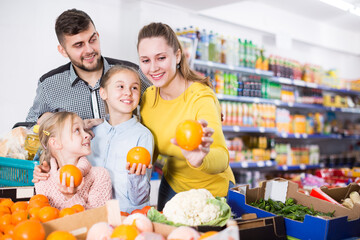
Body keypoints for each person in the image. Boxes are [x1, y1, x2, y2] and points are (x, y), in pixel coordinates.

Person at [137, 22, 235, 211]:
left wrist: (199, 158)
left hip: (212, 193)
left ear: (177, 56)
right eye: (146, 60)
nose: (153, 68)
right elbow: (149, 146)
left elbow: (222, 158)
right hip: (172, 188)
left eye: (161, 58)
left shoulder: (201, 97)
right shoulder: (148, 97)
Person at [26, 8, 151, 125]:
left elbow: (159, 105)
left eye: (92, 40)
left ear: (97, 36)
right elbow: (29, 128)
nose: (89, 49)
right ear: (63, 50)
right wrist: (63, 124)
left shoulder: (132, 72)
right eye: (79, 45)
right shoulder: (49, 85)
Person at [88, 65, 154, 213]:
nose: (128, 93)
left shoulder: (143, 136)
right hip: (93, 215)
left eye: (134, 88)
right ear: (103, 93)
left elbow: (140, 199)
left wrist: (136, 177)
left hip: (128, 216)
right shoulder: (91, 133)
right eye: (120, 86)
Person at [34, 111, 112, 210]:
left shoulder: (99, 175)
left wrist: (72, 198)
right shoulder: (43, 180)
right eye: (77, 130)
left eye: (84, 129)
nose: (87, 135)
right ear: (56, 143)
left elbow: (99, 219)